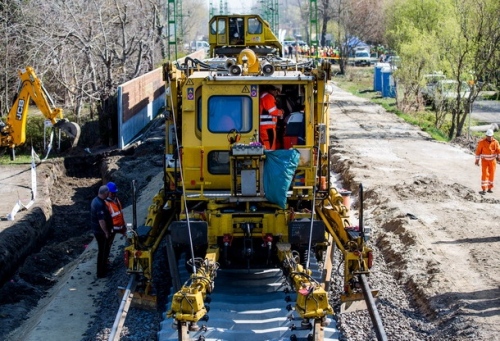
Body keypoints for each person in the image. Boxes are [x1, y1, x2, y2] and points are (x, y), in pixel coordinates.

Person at [90, 185, 113, 278]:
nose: (109, 195)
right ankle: (101, 273)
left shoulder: (95, 200)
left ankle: (104, 267)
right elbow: (101, 221)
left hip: (98, 231)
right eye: (107, 193)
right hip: (100, 232)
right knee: (102, 251)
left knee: (104, 249)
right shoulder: (99, 205)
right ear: (104, 193)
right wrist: (106, 232)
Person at [475, 129, 500, 194]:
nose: (489, 137)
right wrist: (477, 161)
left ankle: (489, 188)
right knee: (485, 174)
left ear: (493, 136)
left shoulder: (496, 142)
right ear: (486, 136)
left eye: (490, 136)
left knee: (492, 174)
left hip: (492, 161)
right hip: (485, 161)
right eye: (488, 136)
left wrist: (499, 158)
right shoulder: (482, 142)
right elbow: (478, 152)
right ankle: (484, 189)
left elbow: (498, 151)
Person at [259, 85, 284, 150]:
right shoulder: (268, 97)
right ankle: (269, 159)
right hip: (268, 128)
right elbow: (273, 111)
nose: (277, 94)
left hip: (265, 128)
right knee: (270, 148)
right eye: (277, 91)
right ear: (273, 90)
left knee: (266, 146)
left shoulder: (263, 95)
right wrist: (281, 111)